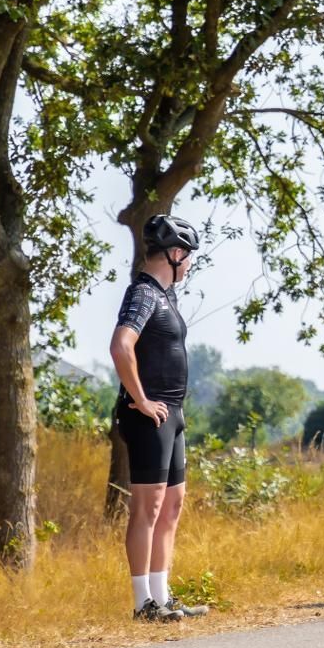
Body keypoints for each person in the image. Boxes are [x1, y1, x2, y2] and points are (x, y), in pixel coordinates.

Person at [109, 214, 209, 623]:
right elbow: (121, 346)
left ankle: (162, 597)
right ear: (175, 253)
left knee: (171, 507)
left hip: (173, 414)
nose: (188, 265)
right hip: (149, 416)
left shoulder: (167, 296)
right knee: (147, 510)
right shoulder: (144, 294)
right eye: (188, 258)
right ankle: (141, 604)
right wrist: (142, 400)